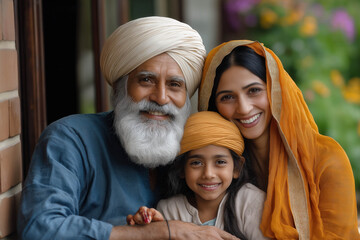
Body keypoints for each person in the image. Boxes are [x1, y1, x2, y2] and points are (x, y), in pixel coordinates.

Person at [17, 16, 240, 240]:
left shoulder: (192, 150)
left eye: (174, 85)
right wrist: (157, 233)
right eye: (146, 80)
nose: (161, 98)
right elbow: (40, 228)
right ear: (120, 87)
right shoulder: (71, 139)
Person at [198, 40, 360, 239]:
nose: (244, 108)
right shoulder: (215, 168)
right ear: (213, 106)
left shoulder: (327, 160)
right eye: (227, 97)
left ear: (276, 90)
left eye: (254, 91)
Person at [127, 111, 269, 240]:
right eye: (196, 163)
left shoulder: (251, 202)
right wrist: (149, 230)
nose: (208, 174)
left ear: (236, 168)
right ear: (182, 169)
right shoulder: (170, 209)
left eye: (220, 162)